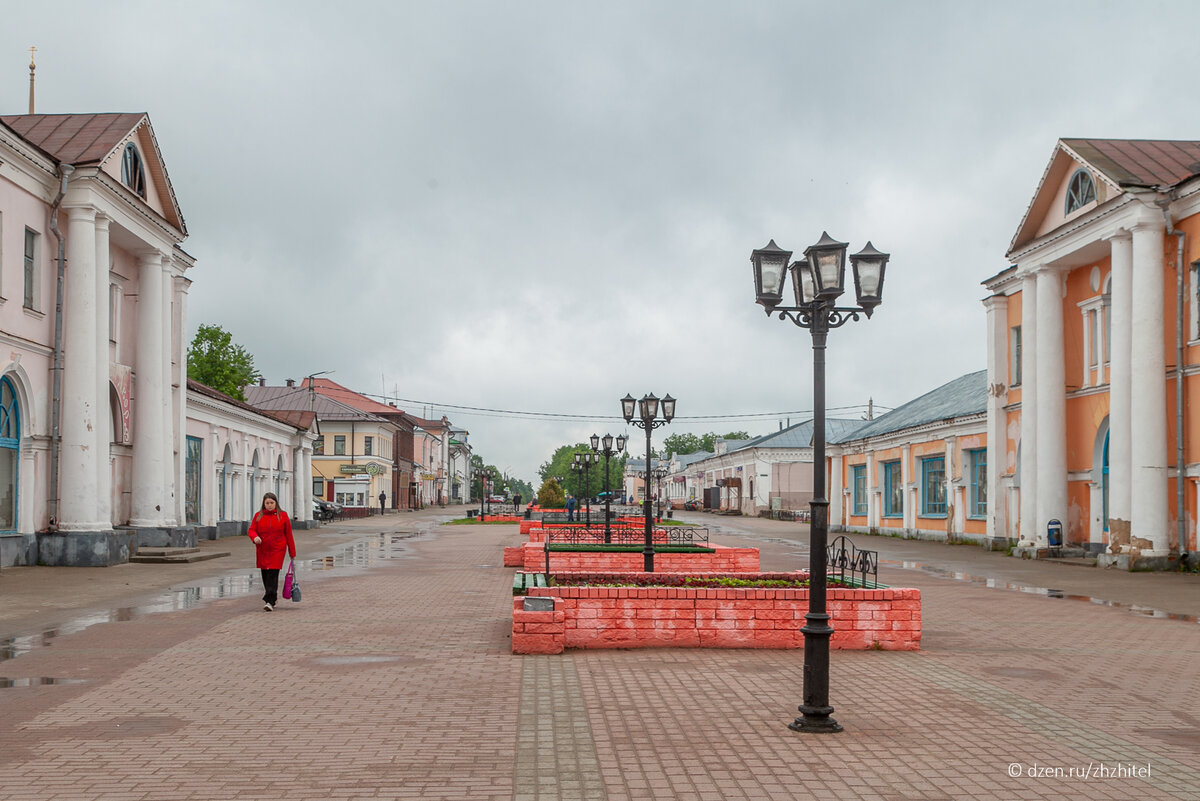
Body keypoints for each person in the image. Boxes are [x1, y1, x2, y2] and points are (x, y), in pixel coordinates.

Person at [248, 492, 296, 611]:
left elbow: (289, 535)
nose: (269, 505)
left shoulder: (282, 516)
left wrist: (292, 552)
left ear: (276, 503)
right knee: (265, 573)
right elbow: (251, 530)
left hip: (278, 549)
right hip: (263, 548)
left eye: (272, 503)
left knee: (273, 573)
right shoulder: (258, 516)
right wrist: (255, 537)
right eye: (267, 503)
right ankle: (272, 598)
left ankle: (269, 600)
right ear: (264, 504)